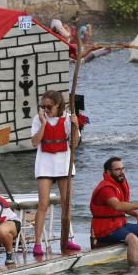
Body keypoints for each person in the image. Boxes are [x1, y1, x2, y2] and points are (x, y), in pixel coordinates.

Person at [89, 157, 138, 266]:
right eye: (117, 170)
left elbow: (124, 205)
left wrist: (137, 215)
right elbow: (117, 206)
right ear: (108, 172)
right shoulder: (105, 189)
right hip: (105, 230)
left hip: (119, 225)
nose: (122, 172)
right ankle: (132, 271)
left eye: (123, 169)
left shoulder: (118, 184)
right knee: (132, 239)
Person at [30, 90, 81, 255]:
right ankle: (38, 243)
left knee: (66, 203)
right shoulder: (38, 119)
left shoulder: (67, 118)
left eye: (49, 106)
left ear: (58, 105)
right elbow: (34, 142)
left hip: (63, 163)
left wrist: (75, 126)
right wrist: (44, 124)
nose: (46, 109)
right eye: (43, 106)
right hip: (45, 163)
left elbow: (75, 143)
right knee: (43, 204)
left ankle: (67, 240)